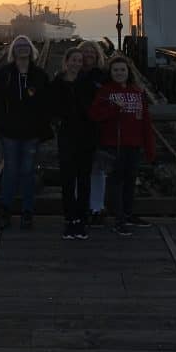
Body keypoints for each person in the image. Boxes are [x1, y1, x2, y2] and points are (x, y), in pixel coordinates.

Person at [90, 55, 156, 237]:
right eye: (116, 70)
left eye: (123, 70)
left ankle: (128, 213)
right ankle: (118, 218)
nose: (119, 73)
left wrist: (149, 147)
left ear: (128, 72)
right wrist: (114, 108)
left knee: (129, 181)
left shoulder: (137, 92)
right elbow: (95, 115)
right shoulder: (105, 91)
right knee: (115, 183)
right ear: (110, 73)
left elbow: (145, 121)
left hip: (133, 144)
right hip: (113, 145)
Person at [0, 34, 51, 229]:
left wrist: (42, 127)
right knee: (10, 172)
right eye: (18, 46)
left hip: (31, 133)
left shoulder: (40, 75)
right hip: (9, 132)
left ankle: (27, 211)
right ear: (13, 51)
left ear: (31, 50)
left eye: (26, 45)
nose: (22, 49)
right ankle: (5, 210)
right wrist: (0, 125)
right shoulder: (5, 74)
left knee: (27, 172)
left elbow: (45, 104)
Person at [51, 46, 94, 240]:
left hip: (85, 135)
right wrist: (57, 121)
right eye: (73, 60)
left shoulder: (87, 83)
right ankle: (70, 218)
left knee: (84, 178)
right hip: (67, 134)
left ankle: (81, 218)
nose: (76, 63)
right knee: (68, 179)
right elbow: (50, 106)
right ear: (66, 61)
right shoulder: (57, 83)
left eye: (79, 60)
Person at [76, 40, 109, 227]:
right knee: (79, 169)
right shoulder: (73, 75)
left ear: (97, 55)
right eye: (84, 52)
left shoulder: (103, 76)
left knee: (98, 169)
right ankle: (81, 206)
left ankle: (97, 207)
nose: (88, 55)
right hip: (78, 128)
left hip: (97, 127)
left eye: (91, 52)